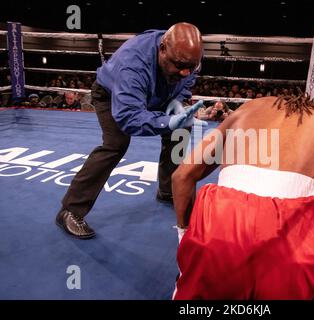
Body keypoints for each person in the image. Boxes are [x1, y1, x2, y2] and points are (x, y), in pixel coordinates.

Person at [171, 95, 314, 299]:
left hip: (222, 225)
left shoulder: (248, 109)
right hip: (299, 240)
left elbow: (182, 176)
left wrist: (185, 236)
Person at [56, 22, 206, 239]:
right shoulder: (133, 64)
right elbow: (129, 118)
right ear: (162, 49)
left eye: (191, 66)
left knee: (181, 130)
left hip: (159, 92)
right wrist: (167, 122)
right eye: (180, 65)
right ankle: (70, 210)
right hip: (113, 95)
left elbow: (187, 77)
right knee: (115, 144)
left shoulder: (188, 55)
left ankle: (167, 190)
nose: (185, 71)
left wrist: (179, 100)